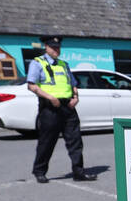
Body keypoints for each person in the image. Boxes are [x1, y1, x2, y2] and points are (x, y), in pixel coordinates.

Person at [26, 35, 96, 183]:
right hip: (50, 108)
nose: (56, 50)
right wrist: (50, 98)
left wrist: (76, 97)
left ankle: (79, 172)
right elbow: (31, 85)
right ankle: (39, 171)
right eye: (53, 47)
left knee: (75, 141)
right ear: (46, 47)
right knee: (47, 141)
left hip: (68, 107)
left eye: (58, 47)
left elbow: (73, 84)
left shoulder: (64, 65)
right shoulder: (37, 63)